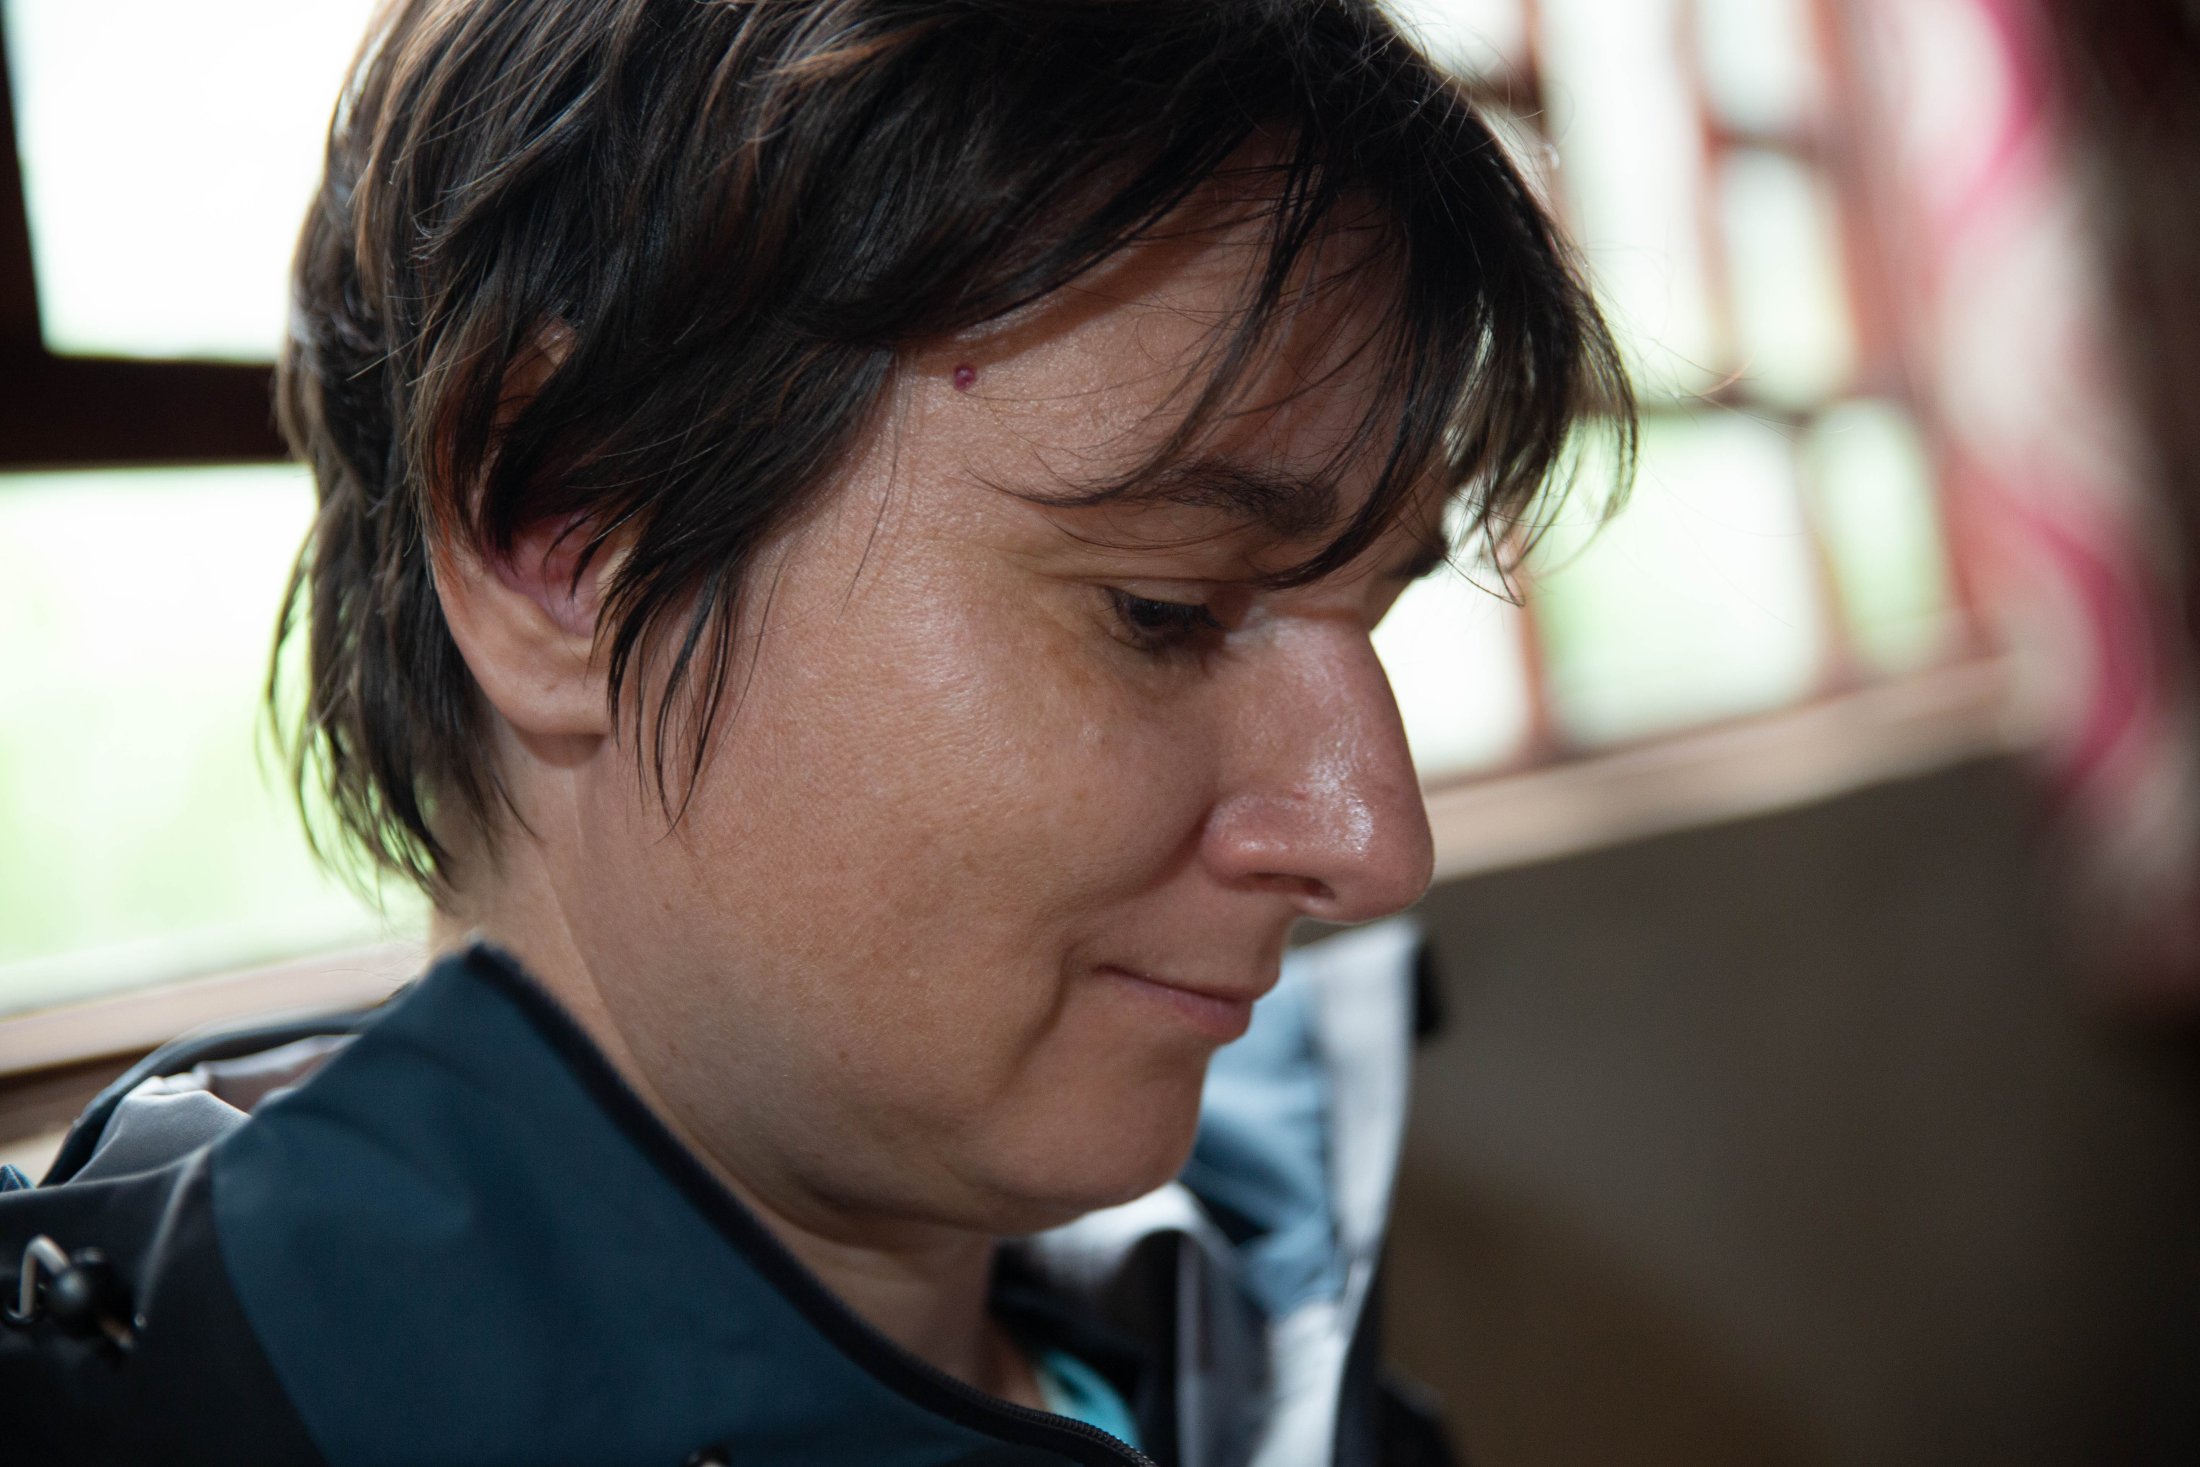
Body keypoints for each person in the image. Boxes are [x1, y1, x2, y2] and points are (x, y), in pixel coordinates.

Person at [0, 1, 1629, 1461]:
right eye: (1163, 610)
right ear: (561, 536)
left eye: (1376, 614)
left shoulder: (1252, 1358)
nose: (1374, 840)